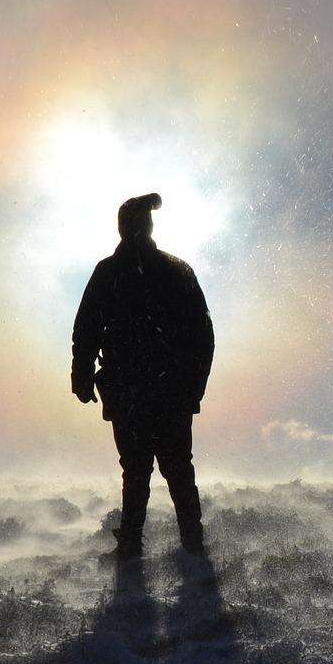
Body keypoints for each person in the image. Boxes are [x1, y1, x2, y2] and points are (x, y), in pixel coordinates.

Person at [71, 192, 214, 561]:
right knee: (170, 468)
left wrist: (83, 375)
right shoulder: (171, 269)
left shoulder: (112, 272)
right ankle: (182, 545)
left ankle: (141, 546)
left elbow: (86, 329)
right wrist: (82, 375)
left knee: (144, 470)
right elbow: (204, 334)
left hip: (145, 391)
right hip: (160, 390)